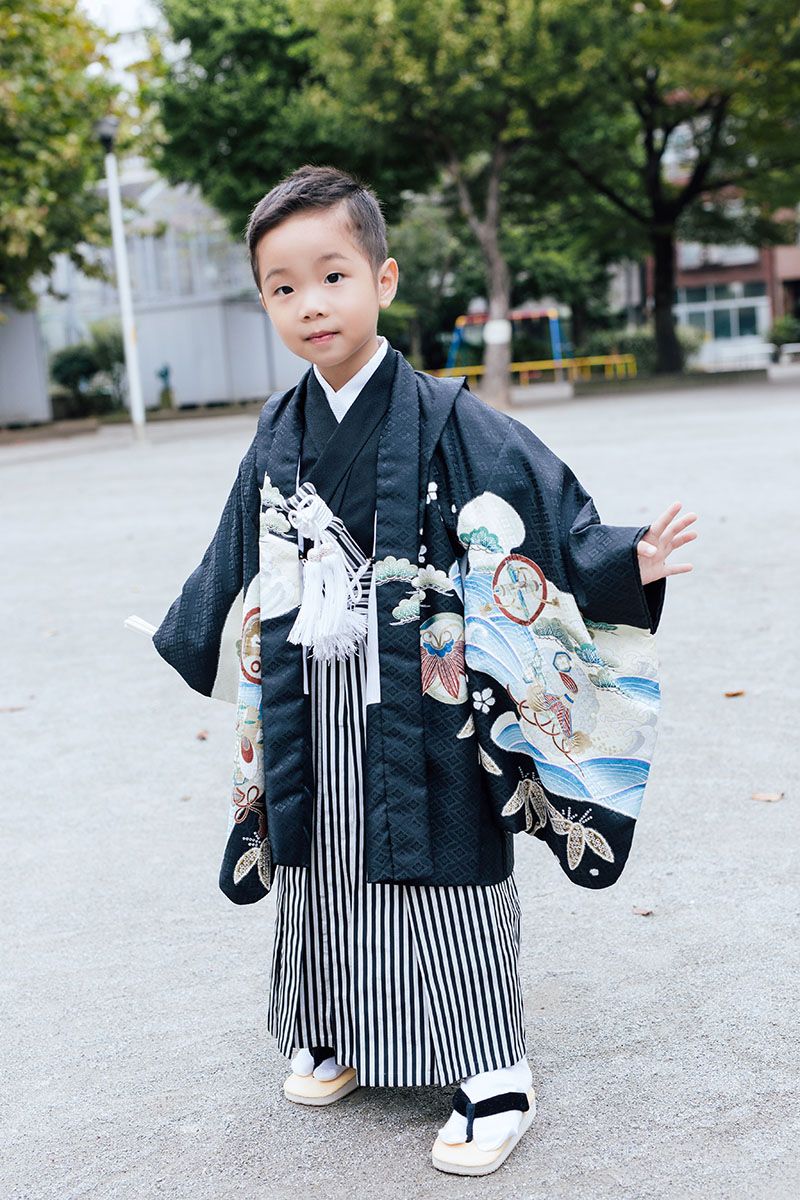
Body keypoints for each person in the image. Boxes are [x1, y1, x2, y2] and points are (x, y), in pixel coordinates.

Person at [145, 164, 697, 1176]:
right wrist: (188, 630)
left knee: (444, 876)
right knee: (319, 870)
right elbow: (233, 550)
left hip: (424, 695)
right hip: (311, 697)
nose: (310, 303)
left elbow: (543, 509)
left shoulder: (449, 419)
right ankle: (341, 1030)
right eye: (282, 285)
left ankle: (492, 1070)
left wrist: (622, 562)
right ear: (264, 299)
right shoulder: (277, 430)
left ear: (384, 279)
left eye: (332, 275)